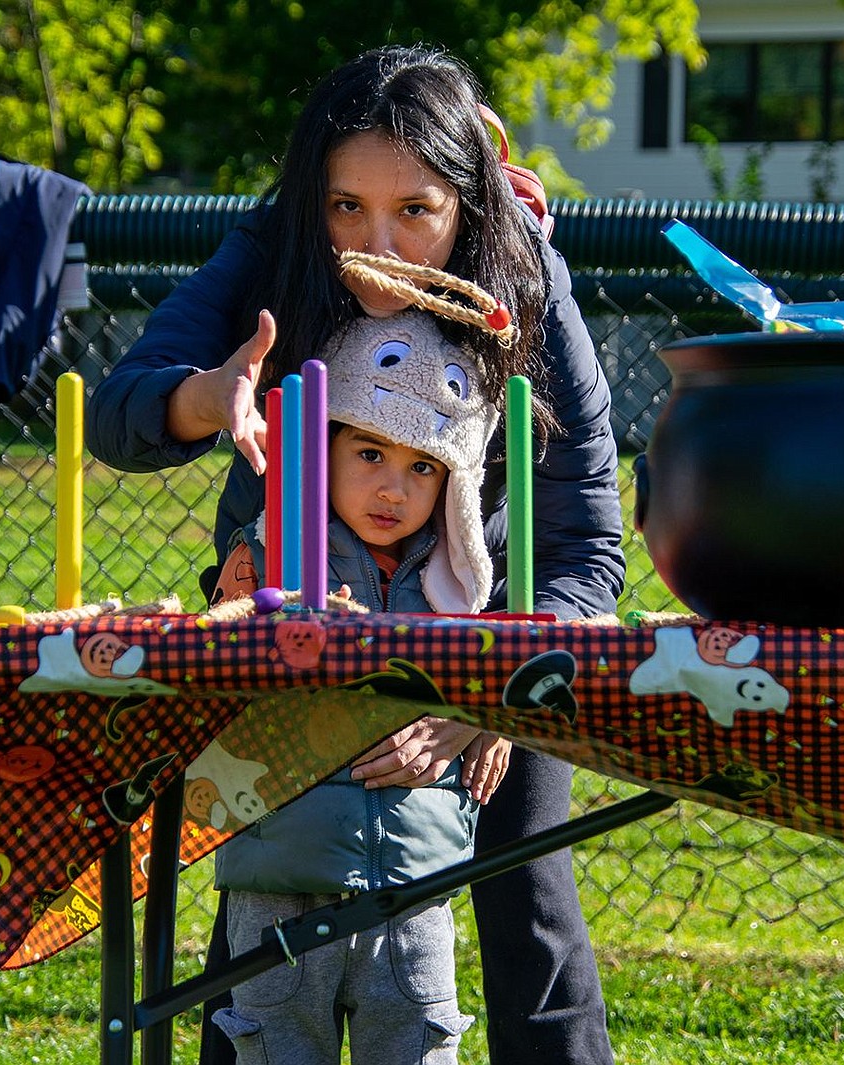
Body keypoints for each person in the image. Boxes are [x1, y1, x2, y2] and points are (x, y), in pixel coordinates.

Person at [86, 43, 626, 1065]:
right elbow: (119, 412)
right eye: (346, 208)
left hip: (487, 644)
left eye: (415, 209)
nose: (378, 242)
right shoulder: (271, 252)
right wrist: (209, 398)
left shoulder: (531, 281)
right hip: (296, 631)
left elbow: (589, 544)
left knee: (531, 904)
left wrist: (485, 695)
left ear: (470, 202)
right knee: (265, 902)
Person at [209, 309, 511, 1064]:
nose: (393, 487)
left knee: (416, 1047)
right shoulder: (266, 558)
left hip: (412, 892)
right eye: (370, 451)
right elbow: (210, 690)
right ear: (322, 446)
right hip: (281, 881)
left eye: (421, 466)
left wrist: (478, 713)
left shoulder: (461, 586)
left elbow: (495, 680)